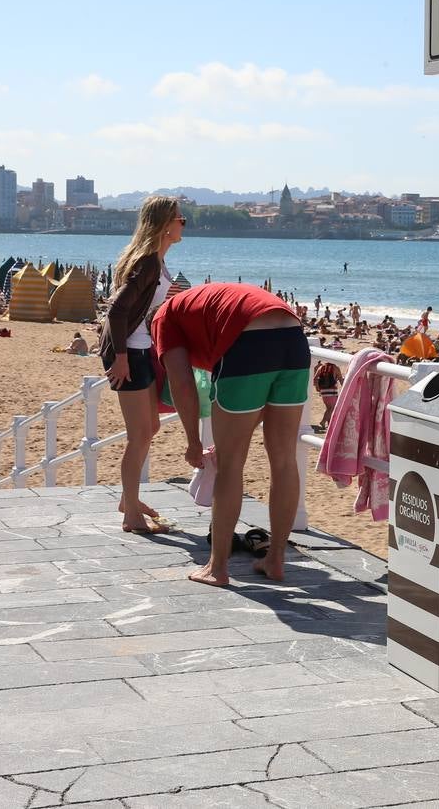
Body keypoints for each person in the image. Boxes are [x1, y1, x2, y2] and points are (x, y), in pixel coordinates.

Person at [153, 282, 310, 587]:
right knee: (284, 459)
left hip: (248, 343)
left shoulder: (163, 318)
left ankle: (217, 567)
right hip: (293, 338)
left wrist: (193, 442)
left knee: (230, 462)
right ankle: (276, 559)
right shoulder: (202, 304)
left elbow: (182, 384)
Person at [99, 196, 184, 535]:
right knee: (139, 436)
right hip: (127, 353)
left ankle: (127, 500)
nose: (183, 225)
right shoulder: (148, 262)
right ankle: (130, 514)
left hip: (140, 348)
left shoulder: (156, 263)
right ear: (165, 224)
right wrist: (120, 357)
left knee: (150, 428)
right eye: (181, 219)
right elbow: (118, 311)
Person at [313, 360, 343, 431]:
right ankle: (323, 421)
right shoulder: (336, 368)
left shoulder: (321, 367)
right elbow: (341, 380)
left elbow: (315, 378)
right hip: (332, 392)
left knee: (329, 408)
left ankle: (330, 425)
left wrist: (317, 388)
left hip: (323, 392)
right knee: (331, 408)